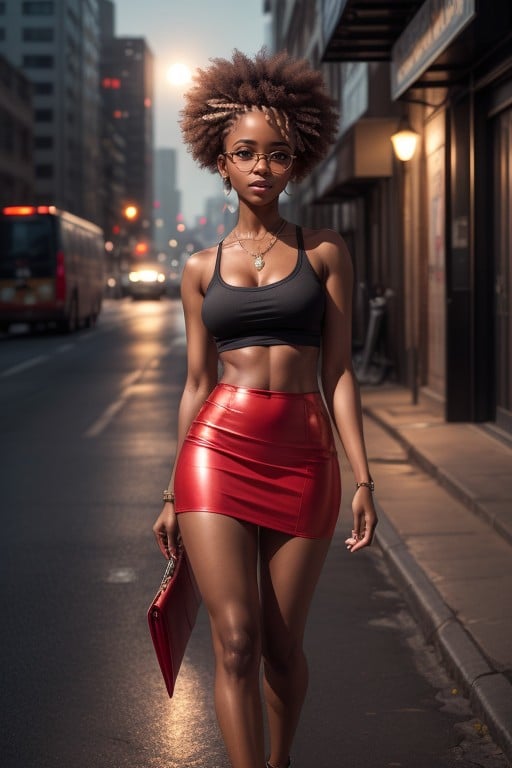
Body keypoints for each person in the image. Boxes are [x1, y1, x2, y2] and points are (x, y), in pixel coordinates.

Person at [152, 49, 378, 768]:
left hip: (306, 455)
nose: (261, 166)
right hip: (215, 453)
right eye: (245, 152)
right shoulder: (198, 269)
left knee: (283, 647)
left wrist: (364, 476)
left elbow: (339, 374)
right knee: (237, 640)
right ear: (219, 160)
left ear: (296, 162)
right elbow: (195, 382)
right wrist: (170, 487)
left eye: (277, 154)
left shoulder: (325, 254)